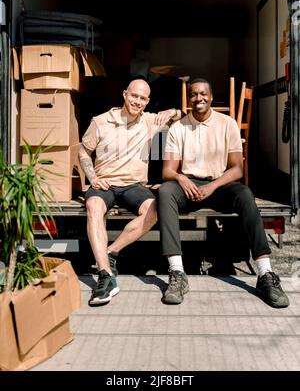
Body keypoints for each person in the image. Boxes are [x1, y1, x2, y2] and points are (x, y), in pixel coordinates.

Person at [158, 77, 289, 308]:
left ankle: (265, 274)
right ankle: (177, 272)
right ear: (188, 99)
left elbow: (237, 168)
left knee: (245, 194)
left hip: (217, 184)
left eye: (203, 94)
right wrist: (182, 178)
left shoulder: (227, 123)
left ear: (211, 97)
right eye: (193, 94)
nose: (198, 98)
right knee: (166, 192)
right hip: (189, 185)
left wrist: (212, 185)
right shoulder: (178, 128)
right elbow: (168, 170)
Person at [79, 78, 181, 306]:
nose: (137, 101)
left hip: (134, 185)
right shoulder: (101, 121)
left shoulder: (149, 121)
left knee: (155, 209)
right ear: (125, 94)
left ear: (147, 102)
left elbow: (182, 116)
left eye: (143, 98)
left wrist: (172, 110)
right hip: (104, 182)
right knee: (93, 206)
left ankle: (111, 252)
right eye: (134, 95)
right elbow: (84, 152)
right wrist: (93, 178)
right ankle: (106, 276)